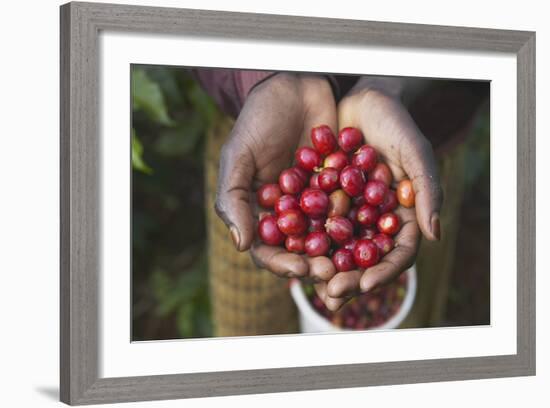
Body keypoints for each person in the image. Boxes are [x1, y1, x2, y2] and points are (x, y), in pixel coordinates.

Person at [196, 69, 488, 312]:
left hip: (419, 137)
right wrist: (260, 77)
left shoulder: (353, 190)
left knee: (410, 301)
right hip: (265, 141)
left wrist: (388, 80)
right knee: (249, 312)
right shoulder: (291, 181)